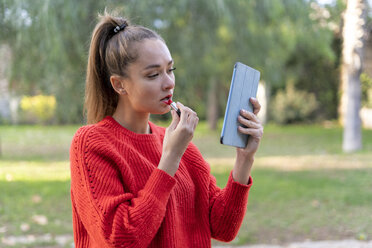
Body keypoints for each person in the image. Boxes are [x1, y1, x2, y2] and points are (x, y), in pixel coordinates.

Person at [70, 11, 264, 248]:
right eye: (153, 74)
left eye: (170, 70)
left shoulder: (178, 143)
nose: (169, 82)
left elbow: (223, 227)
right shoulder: (92, 143)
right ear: (119, 84)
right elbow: (121, 239)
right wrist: (170, 158)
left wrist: (244, 158)